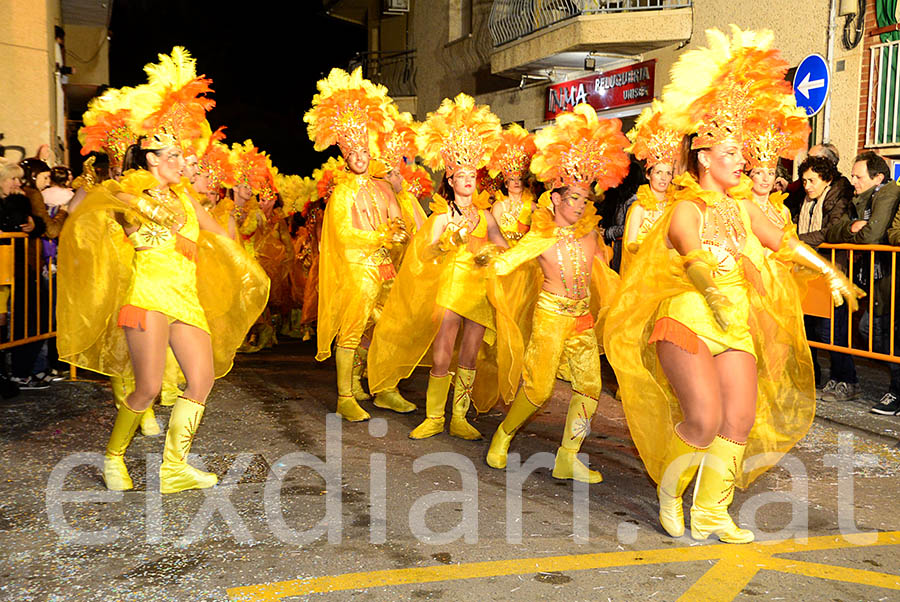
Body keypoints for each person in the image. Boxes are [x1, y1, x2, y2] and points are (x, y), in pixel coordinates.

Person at [605, 27, 862, 544]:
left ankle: (711, 513)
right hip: (688, 320)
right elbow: (692, 255)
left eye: (741, 153)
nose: (741, 160)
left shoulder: (744, 206)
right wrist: (716, 292)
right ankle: (670, 492)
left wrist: (831, 272)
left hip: (735, 322)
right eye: (730, 152)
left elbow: (783, 244)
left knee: (739, 419)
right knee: (704, 419)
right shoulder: (684, 206)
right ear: (703, 157)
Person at [58, 47, 269, 493]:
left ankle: (174, 467)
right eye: (173, 155)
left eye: (182, 155)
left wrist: (244, 258)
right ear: (152, 159)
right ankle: (114, 456)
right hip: (148, 299)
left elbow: (220, 234)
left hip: (185, 300)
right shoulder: (130, 189)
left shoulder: (187, 198)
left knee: (203, 378)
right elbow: (97, 204)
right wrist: (155, 214)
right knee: (147, 388)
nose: (183, 163)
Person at [484, 104, 629, 483]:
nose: (579, 206)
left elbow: (606, 264)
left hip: (581, 317)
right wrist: (484, 255)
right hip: (550, 316)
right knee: (539, 388)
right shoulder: (541, 235)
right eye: (573, 199)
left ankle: (568, 455)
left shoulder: (589, 232)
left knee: (590, 386)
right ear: (555, 198)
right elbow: (507, 261)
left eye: (584, 199)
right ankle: (503, 435)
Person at [367, 93, 508, 440]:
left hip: (478, 291)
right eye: (462, 176)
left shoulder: (486, 214)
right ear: (451, 179)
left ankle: (459, 417)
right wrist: (447, 243)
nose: (468, 180)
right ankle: (433, 417)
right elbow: (422, 254)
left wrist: (494, 252)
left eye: (473, 175)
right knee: (443, 353)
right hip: (449, 289)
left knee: (471, 355)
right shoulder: (443, 216)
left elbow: (503, 247)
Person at [304, 67, 414, 421]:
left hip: (385, 266)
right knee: (352, 328)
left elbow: (399, 220)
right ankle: (345, 396)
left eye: (363, 149)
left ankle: (385, 388)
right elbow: (341, 234)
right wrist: (381, 236)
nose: (360, 155)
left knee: (388, 327)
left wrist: (398, 232)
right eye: (353, 152)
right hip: (357, 268)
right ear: (345, 155)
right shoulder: (342, 192)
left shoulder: (383, 186)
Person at [825, 152, 900, 415]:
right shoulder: (860, 200)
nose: (853, 181)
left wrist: (861, 230)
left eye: (858, 176)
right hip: (877, 279)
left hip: (889, 278)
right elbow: (833, 231)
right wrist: (851, 228)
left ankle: (896, 392)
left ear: (878, 177)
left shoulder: (888, 194)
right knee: (873, 332)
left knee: (883, 334)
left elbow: (874, 234)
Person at [794, 155, 858, 399]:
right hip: (808, 270)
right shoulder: (808, 200)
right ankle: (814, 375)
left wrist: (797, 241)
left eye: (811, 180)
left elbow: (830, 232)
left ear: (826, 179)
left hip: (832, 270)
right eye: (804, 180)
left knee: (832, 331)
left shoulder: (838, 199)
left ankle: (845, 379)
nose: (806, 185)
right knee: (810, 328)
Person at [620, 103, 680, 275]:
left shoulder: (675, 206)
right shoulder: (639, 208)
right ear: (648, 175)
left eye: (668, 173)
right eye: (658, 172)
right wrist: (648, 250)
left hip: (669, 271)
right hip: (645, 272)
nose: (663, 177)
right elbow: (629, 244)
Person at [487, 124, 537, 244]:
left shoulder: (532, 207)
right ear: (506, 184)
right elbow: (493, 235)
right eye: (512, 179)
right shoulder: (499, 206)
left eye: (519, 179)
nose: (516, 183)